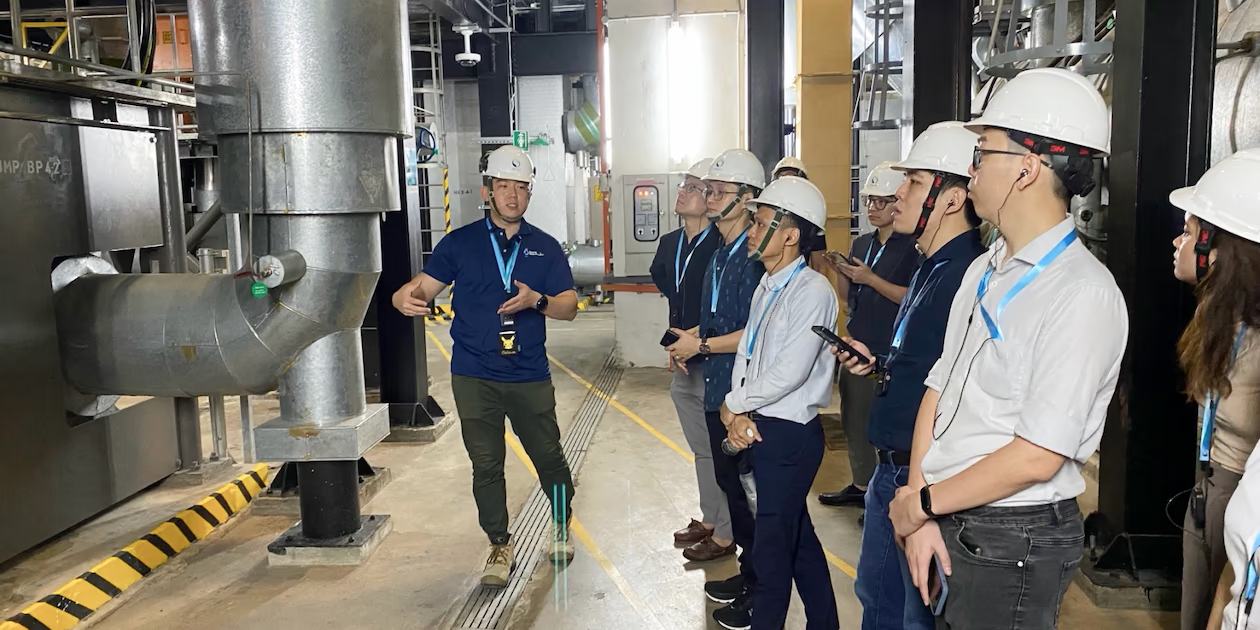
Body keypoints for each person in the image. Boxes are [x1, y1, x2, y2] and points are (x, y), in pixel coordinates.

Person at [884, 68, 1127, 629]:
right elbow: (938, 388)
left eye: (982, 152)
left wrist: (920, 505)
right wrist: (920, 504)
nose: (971, 170)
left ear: (1027, 168)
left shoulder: (1081, 293)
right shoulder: (983, 268)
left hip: (1011, 536)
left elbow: (1038, 454)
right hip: (947, 509)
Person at [391, 145, 580, 588]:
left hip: (529, 373)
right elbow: (424, 287)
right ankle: (499, 542)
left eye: (521, 188)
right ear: (487, 191)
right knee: (486, 463)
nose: (513, 196)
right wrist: (404, 295)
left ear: (529, 193)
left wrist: (539, 300)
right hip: (475, 375)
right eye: (503, 187)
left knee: (548, 456)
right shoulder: (461, 243)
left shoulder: (545, 248)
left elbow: (569, 307)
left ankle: (559, 523)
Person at [832, 123, 986, 630]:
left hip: (918, 476)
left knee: (912, 614)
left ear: (951, 198)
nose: (898, 195)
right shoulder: (929, 266)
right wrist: (877, 363)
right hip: (892, 467)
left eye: (914, 183)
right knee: (877, 599)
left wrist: (921, 495)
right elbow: (926, 363)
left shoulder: (967, 275)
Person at [723, 176, 839, 630]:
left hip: (790, 438)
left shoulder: (813, 292)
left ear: (791, 235)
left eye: (762, 222)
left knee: (772, 555)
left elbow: (789, 372)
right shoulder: (767, 286)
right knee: (797, 542)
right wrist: (737, 410)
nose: (752, 231)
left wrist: (735, 402)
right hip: (760, 426)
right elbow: (748, 355)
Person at [664, 148, 766, 629]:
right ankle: (749, 574)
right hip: (717, 391)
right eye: (708, 190)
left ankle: (762, 589)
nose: (708, 197)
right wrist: (689, 342)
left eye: (718, 191)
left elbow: (758, 330)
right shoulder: (725, 254)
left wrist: (699, 343)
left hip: (742, 397)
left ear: (747, 199)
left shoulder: (750, 256)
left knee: (755, 499)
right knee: (731, 487)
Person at [1168, 148, 1260, 630]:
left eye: (1188, 232)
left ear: (1222, 249)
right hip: (1209, 485)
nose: (1178, 242)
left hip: (1245, 494)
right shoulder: (1218, 317)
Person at [819, 161, 921, 513]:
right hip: (858, 342)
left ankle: (885, 494)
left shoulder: (912, 247)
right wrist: (842, 273)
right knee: (854, 418)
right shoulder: (861, 243)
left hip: (889, 348)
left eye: (882, 201)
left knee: (886, 425)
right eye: (869, 202)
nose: (873, 209)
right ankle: (863, 485)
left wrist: (871, 279)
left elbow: (912, 296)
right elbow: (849, 297)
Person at [648, 157, 732, 563]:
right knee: (701, 447)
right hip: (683, 356)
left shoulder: (722, 244)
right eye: (685, 184)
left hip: (712, 356)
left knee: (720, 444)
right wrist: (675, 343)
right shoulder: (669, 244)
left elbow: (722, 308)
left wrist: (695, 340)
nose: (684, 191)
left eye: (696, 187)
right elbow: (671, 289)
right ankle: (710, 517)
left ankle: (727, 530)